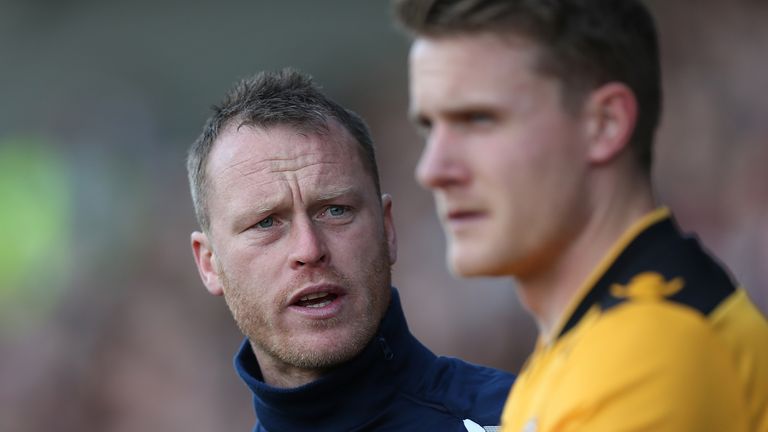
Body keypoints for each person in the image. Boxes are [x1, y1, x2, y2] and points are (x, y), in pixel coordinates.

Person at [394, 0, 768, 431]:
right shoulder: (594, 342)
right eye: (429, 127)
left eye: (479, 119)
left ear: (605, 123)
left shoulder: (646, 356)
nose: (432, 169)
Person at [186, 68, 514, 432]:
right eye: (266, 222)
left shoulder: (526, 418)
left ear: (387, 228)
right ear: (209, 264)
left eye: (335, 210)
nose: (309, 249)